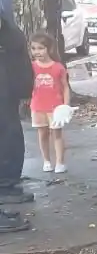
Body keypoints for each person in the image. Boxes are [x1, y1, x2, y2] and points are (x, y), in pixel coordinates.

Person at [0, 15, 36, 229]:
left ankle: (7, 182)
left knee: (9, 134)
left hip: (7, 92)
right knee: (8, 134)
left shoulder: (9, 31)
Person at [29, 33, 70, 175]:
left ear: (49, 48)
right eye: (33, 48)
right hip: (38, 106)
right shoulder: (31, 67)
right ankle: (46, 161)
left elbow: (65, 87)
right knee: (42, 134)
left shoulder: (58, 67)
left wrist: (66, 105)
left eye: (41, 48)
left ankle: (60, 162)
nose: (37, 52)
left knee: (57, 134)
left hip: (55, 107)